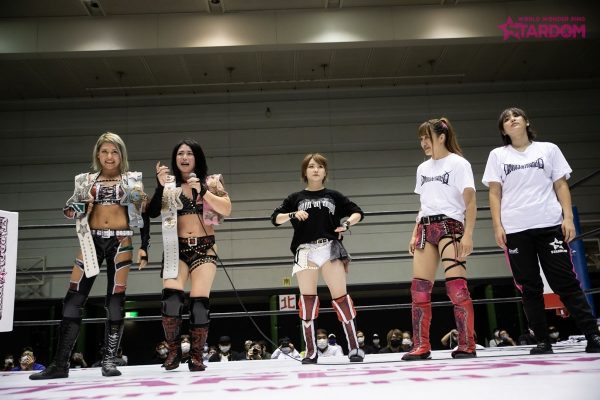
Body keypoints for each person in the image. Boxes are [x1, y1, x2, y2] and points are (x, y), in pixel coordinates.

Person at [30, 132, 149, 380]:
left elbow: (142, 212)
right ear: (97, 154)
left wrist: (142, 208)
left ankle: (109, 361)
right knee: (73, 299)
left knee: (115, 300)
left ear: (121, 155)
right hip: (90, 240)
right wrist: (83, 205)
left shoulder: (131, 180)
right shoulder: (85, 181)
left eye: (114, 151)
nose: (109, 156)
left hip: (121, 240)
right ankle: (60, 363)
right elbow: (67, 211)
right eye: (105, 151)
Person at [483, 107, 600, 354]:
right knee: (530, 287)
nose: (512, 120)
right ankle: (542, 341)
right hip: (516, 228)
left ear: (526, 121)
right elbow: (494, 192)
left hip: (549, 224)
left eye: (516, 116)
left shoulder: (548, 149)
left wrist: (568, 218)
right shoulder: (497, 155)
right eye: (506, 119)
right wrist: (497, 226)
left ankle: (593, 334)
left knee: (565, 281)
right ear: (503, 129)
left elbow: (561, 185)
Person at [271, 153, 365, 364]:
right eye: (311, 166)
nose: (316, 169)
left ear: (325, 172)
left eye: (320, 166)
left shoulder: (334, 195)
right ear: (304, 171)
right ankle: (311, 352)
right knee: (307, 300)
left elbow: (357, 212)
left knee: (342, 298)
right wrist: (293, 214)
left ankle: (354, 348)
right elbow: (275, 218)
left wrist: (346, 224)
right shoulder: (295, 198)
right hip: (305, 250)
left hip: (329, 246)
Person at [148, 139, 231, 371]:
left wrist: (203, 191)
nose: (184, 157)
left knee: (199, 304)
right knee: (171, 299)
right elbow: (152, 212)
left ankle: (196, 356)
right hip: (176, 248)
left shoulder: (211, 182)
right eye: (180, 153)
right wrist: (159, 186)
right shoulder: (169, 185)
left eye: (189, 153)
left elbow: (226, 208)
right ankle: (173, 352)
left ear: (197, 157)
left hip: (204, 248)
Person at [403, 118, 477, 361]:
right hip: (425, 227)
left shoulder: (459, 163)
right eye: (421, 139)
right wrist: (414, 231)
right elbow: (424, 204)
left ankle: (467, 344)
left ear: (442, 137)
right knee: (419, 289)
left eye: (428, 137)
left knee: (457, 287)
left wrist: (468, 234)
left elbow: (471, 202)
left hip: (450, 226)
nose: (423, 143)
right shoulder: (422, 169)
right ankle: (421, 346)